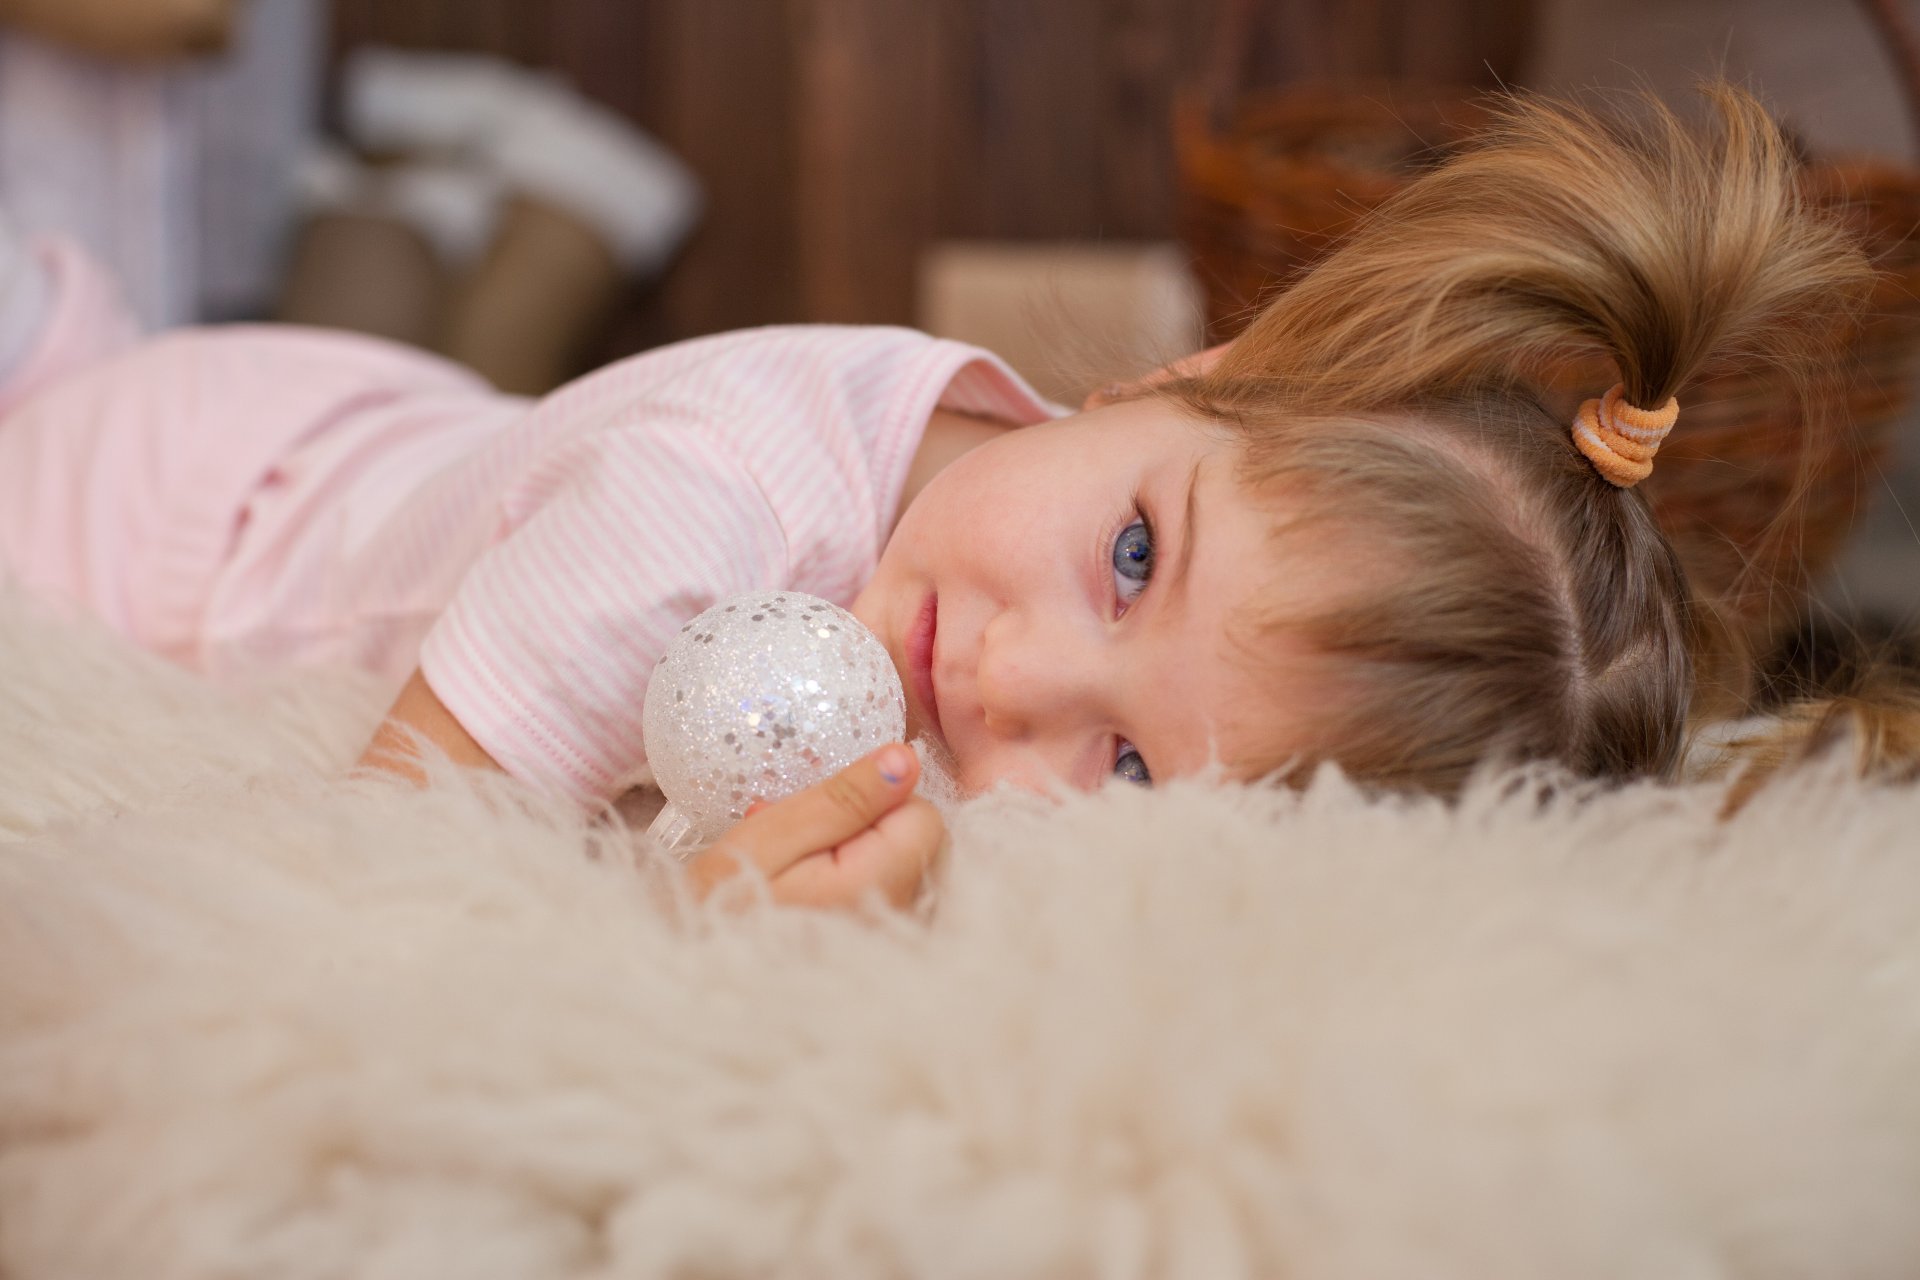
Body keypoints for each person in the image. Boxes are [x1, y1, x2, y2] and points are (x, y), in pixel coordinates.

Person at [0, 85, 1882, 909]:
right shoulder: (693, 519)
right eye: (1133, 557)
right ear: (1189, 375)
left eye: (1132, 769)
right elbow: (378, 871)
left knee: (385, 310)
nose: (1007, 683)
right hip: (151, 498)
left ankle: (440, 201)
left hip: (394, 435)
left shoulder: (1013, 546)